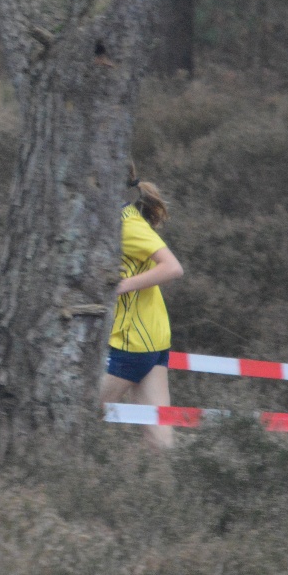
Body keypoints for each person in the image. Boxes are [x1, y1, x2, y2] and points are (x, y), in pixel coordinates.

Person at [99, 173, 185, 451]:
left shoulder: (126, 225)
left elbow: (173, 267)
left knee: (75, 416)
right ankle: (165, 491)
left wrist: (122, 286)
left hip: (131, 342)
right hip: (152, 340)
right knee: (160, 443)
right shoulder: (115, 220)